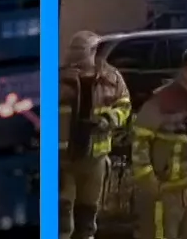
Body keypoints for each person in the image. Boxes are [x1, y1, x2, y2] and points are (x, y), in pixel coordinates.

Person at [130, 47, 187, 239]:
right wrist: (149, 181)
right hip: (165, 189)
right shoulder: (162, 100)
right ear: (186, 71)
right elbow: (140, 138)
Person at [60, 31, 132, 239]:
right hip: (64, 160)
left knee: (87, 216)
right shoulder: (58, 79)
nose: (76, 63)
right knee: (63, 219)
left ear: (93, 53)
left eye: (79, 57)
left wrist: (109, 120)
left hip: (95, 158)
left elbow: (124, 106)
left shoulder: (112, 79)